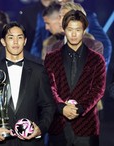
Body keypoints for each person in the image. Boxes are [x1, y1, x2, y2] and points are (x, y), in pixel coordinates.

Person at [0, 21, 55, 146]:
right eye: (10, 37)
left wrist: (40, 128)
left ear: (25, 41)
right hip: (0, 141)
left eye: (19, 38)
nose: (15, 42)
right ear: (3, 42)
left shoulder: (38, 71)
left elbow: (48, 106)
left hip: (30, 141)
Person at [44, 10, 106, 146]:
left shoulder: (96, 59)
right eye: (69, 29)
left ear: (84, 30)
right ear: (64, 29)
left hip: (86, 126)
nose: (73, 34)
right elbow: (49, 87)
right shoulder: (51, 58)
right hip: (58, 126)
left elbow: (98, 89)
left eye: (77, 29)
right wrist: (61, 107)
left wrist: (80, 108)